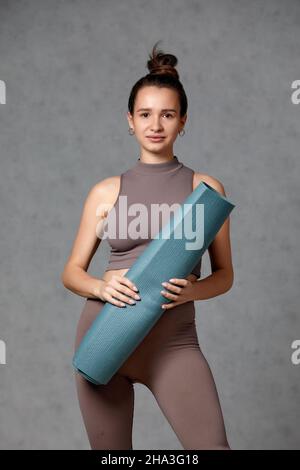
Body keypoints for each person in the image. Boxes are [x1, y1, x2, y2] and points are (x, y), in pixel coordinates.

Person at [61, 41, 234, 450]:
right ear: (130, 121)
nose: (155, 124)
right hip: (106, 334)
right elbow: (71, 272)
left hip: (173, 343)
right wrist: (101, 287)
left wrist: (194, 290)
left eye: (167, 114)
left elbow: (225, 275)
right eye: (145, 114)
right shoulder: (105, 192)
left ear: (183, 121)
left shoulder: (205, 190)